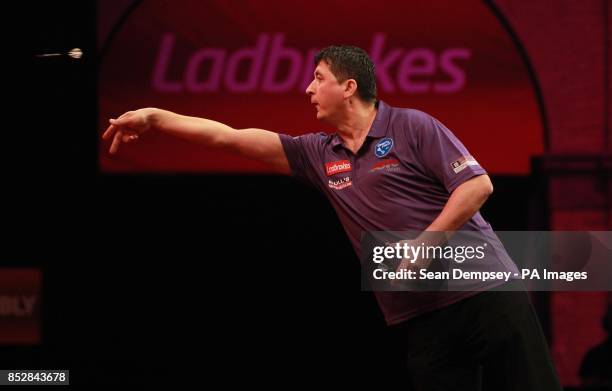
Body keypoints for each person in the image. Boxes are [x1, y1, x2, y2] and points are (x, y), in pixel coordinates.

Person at [102, 45, 561, 390]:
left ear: (348, 87)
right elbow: (229, 138)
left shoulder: (412, 126)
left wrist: (427, 243)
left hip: (487, 292)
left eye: (317, 78)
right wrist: (158, 118)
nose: (307, 89)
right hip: (421, 317)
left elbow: (477, 185)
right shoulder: (317, 155)